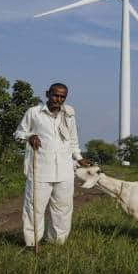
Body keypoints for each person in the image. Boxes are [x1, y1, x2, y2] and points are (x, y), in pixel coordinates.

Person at [14, 82, 90, 248]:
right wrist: (29, 136)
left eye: (63, 96)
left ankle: (56, 243)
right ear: (47, 94)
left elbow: (73, 140)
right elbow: (18, 133)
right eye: (56, 95)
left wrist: (79, 158)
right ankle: (32, 244)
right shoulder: (34, 113)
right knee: (34, 209)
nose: (59, 99)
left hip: (65, 170)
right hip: (40, 169)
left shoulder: (69, 114)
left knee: (62, 209)